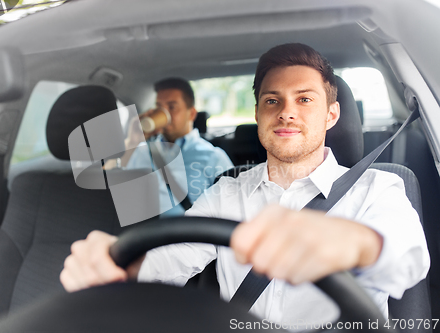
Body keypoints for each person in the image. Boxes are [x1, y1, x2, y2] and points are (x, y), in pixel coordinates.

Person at [60, 44, 429, 325]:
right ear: (257, 114)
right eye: (273, 100)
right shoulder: (226, 192)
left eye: (304, 99)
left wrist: (352, 243)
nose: (287, 111)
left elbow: (408, 257)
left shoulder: (379, 188)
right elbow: (174, 254)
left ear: (331, 115)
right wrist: (123, 263)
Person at [116, 77, 233, 216]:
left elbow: (232, 209)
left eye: (172, 107)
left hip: (189, 235)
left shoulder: (214, 157)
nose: (165, 114)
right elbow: (115, 187)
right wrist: (133, 141)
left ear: (192, 114)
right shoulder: (141, 151)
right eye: (159, 108)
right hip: (142, 234)